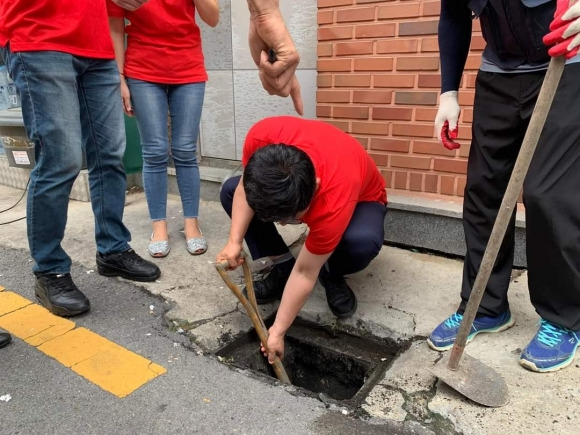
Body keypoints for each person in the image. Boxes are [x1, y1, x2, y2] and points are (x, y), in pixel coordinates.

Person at [429, 0, 580, 373]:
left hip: (565, 63)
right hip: (499, 72)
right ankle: (486, 306)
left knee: (548, 193)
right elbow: (453, 14)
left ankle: (564, 319)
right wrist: (448, 92)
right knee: (484, 190)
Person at [0, 0, 161, 318]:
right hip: (38, 35)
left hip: (96, 44)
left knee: (111, 154)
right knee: (61, 160)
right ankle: (50, 271)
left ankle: (112, 248)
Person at [217, 116, 387, 364]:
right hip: (321, 182)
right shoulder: (260, 138)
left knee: (361, 241)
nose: (284, 224)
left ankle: (332, 272)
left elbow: (306, 272)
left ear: (315, 187)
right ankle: (282, 266)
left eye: (289, 216)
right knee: (230, 192)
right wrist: (234, 241)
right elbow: (246, 186)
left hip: (362, 200)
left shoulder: (334, 197)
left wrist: (278, 331)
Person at [107, 0, 220, 258]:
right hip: (142, 70)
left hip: (188, 68)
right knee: (155, 151)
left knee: (185, 150)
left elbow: (213, 18)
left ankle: (191, 223)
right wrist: (120, 78)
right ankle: (159, 226)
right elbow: (115, 25)